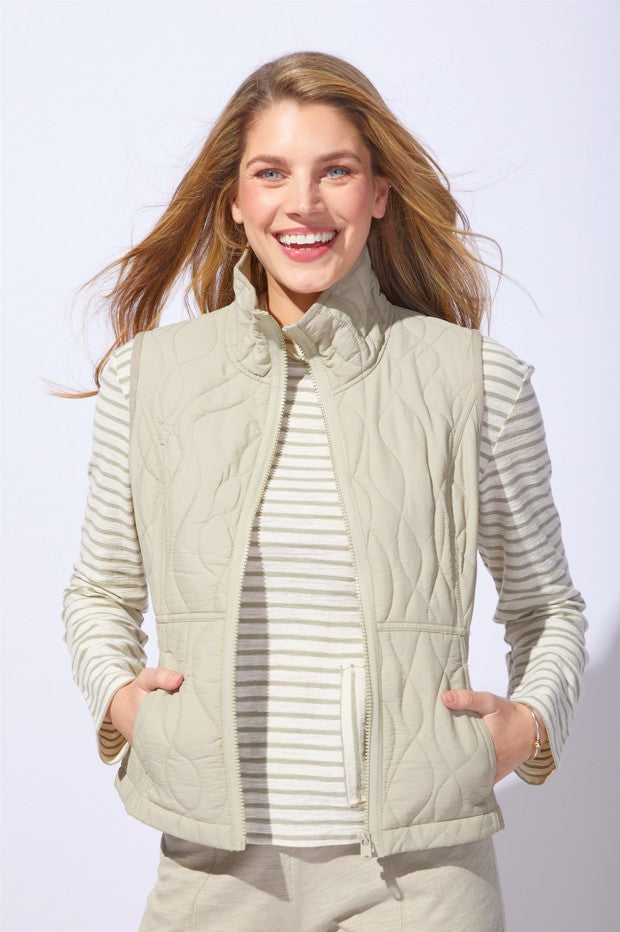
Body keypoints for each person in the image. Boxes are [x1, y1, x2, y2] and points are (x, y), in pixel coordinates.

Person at [60, 50, 588, 931]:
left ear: (378, 192)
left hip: (422, 882)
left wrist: (529, 728)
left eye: (335, 171)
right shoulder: (147, 380)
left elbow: (548, 607)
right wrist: (124, 703)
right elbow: (99, 592)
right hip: (213, 872)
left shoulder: (476, 381)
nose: (302, 203)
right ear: (235, 199)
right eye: (271, 173)